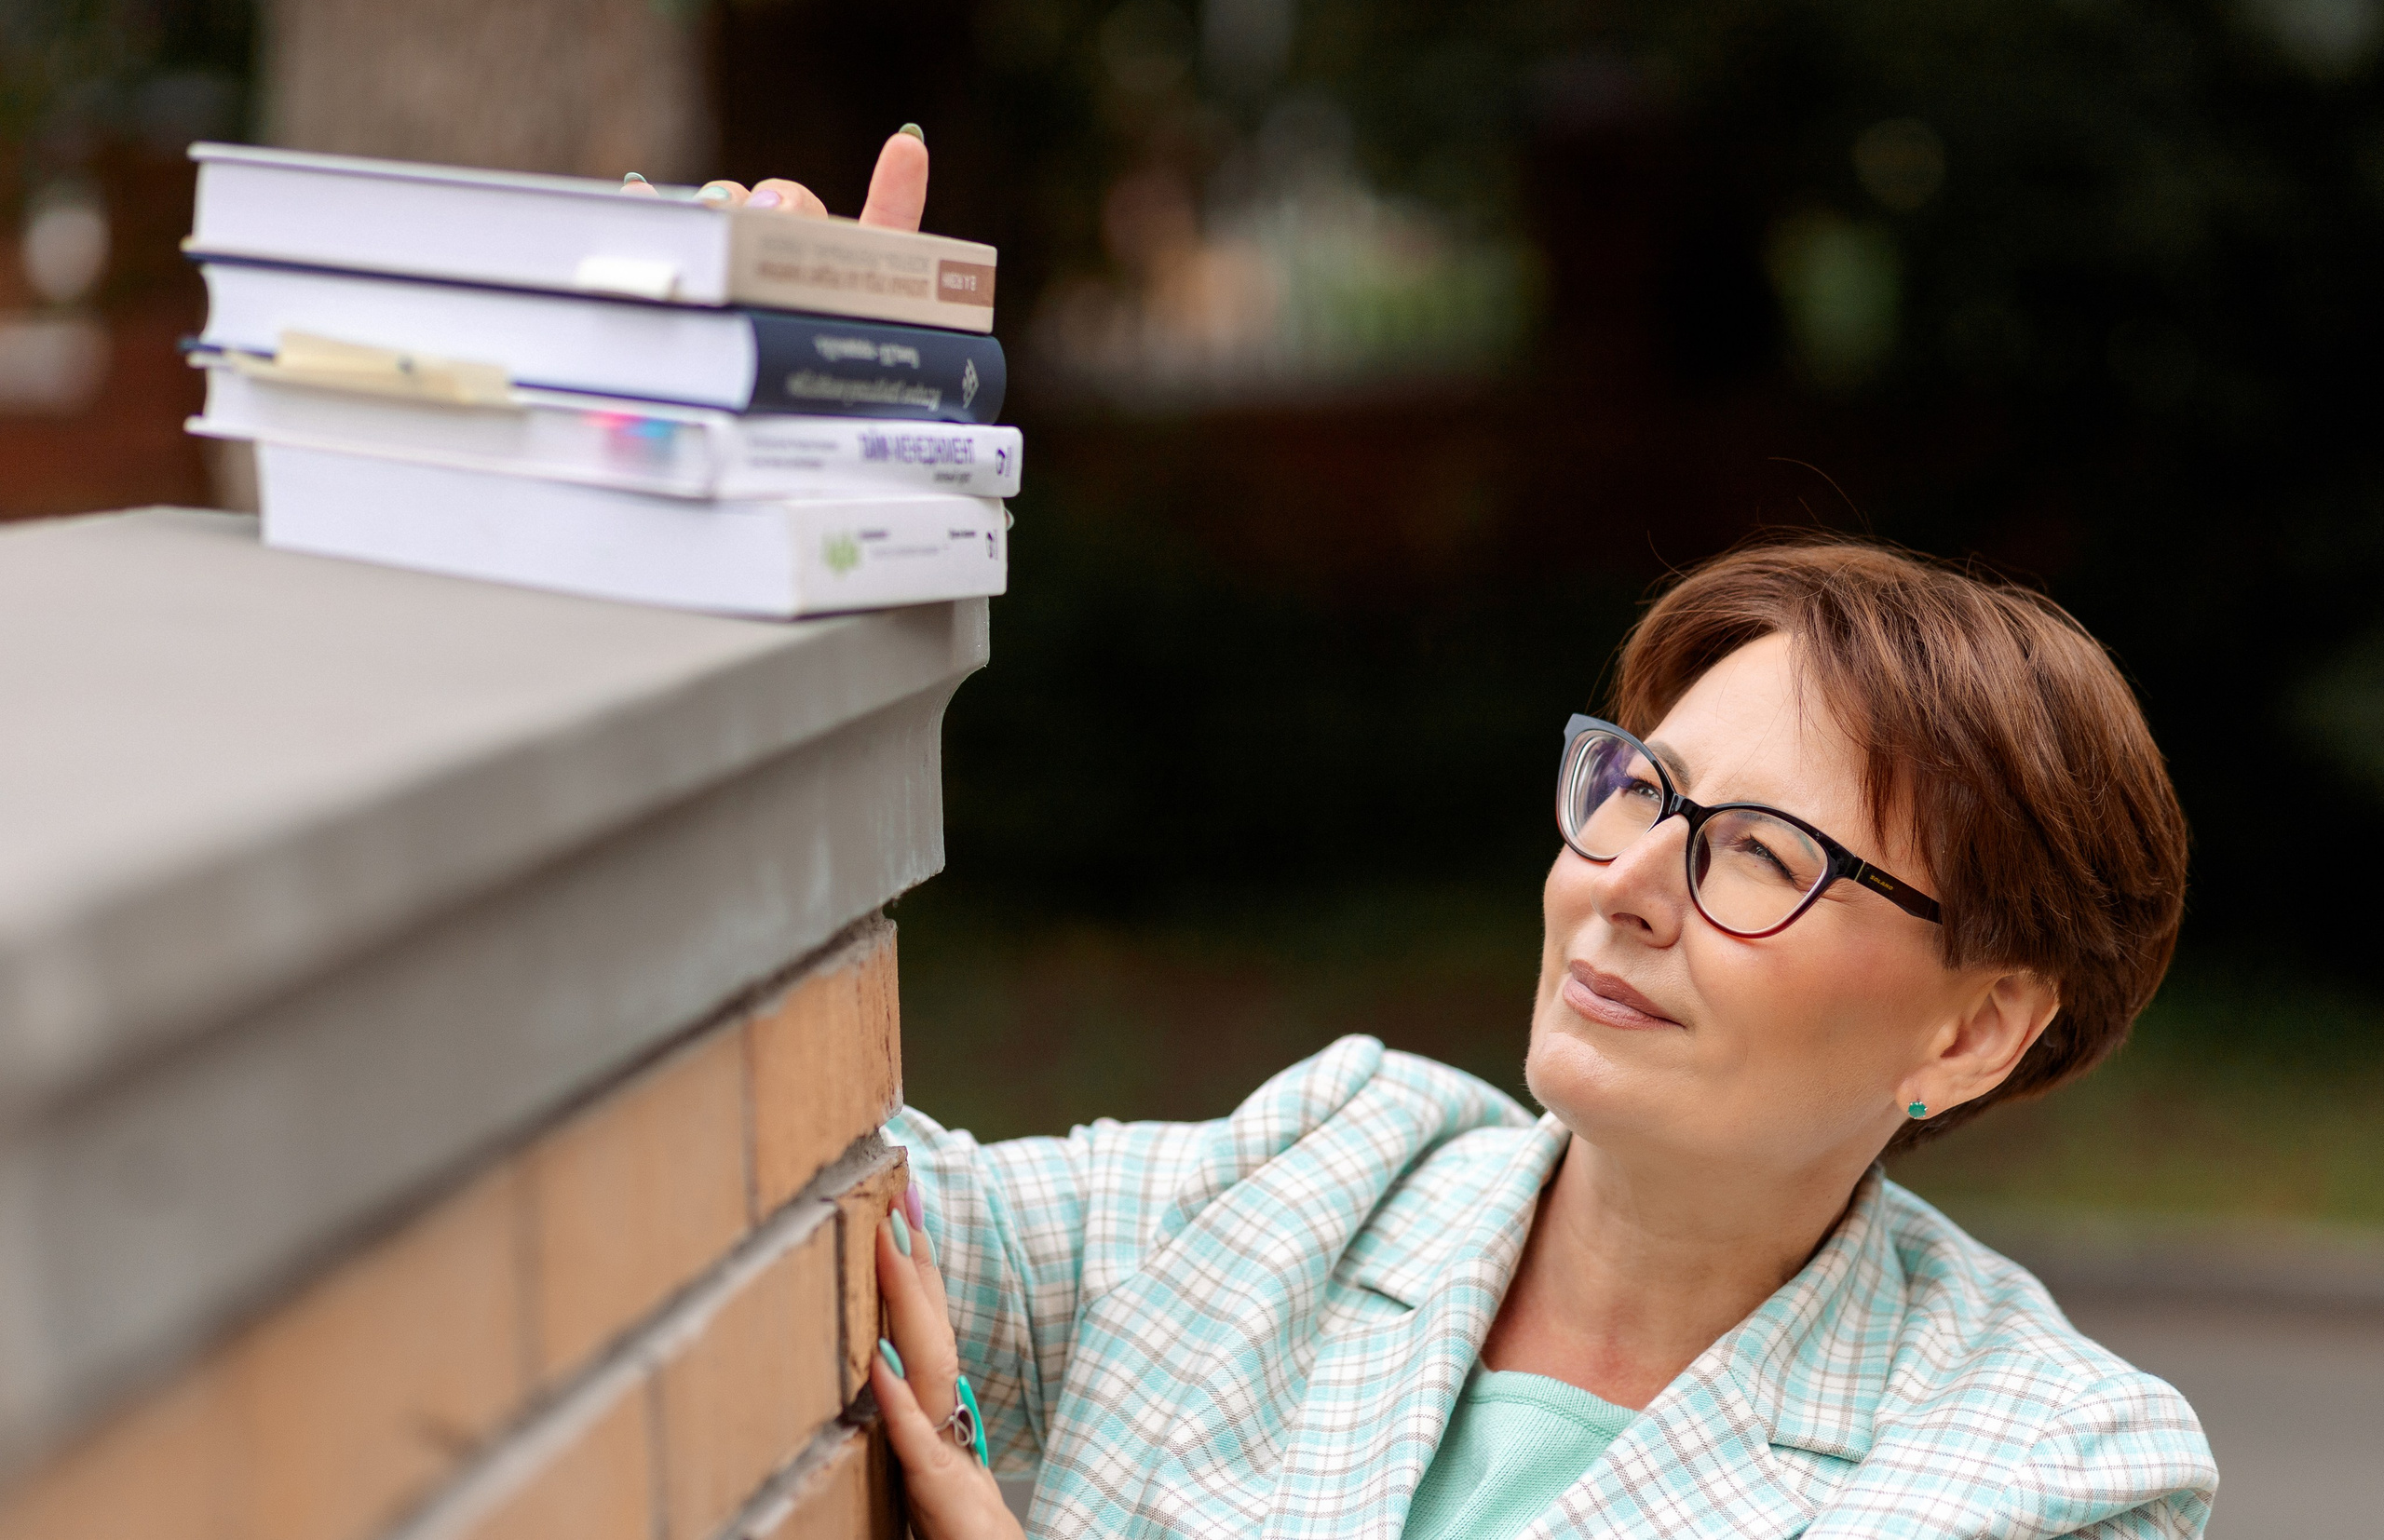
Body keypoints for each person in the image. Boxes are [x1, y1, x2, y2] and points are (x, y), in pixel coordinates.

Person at [697, 139, 2217, 1538]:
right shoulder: (1334, 1170)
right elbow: (801, 1193)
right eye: (1635, 789)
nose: (1624, 883)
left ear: (1979, 1027)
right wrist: (767, 492)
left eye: (1752, 850)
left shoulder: (2053, 1478)